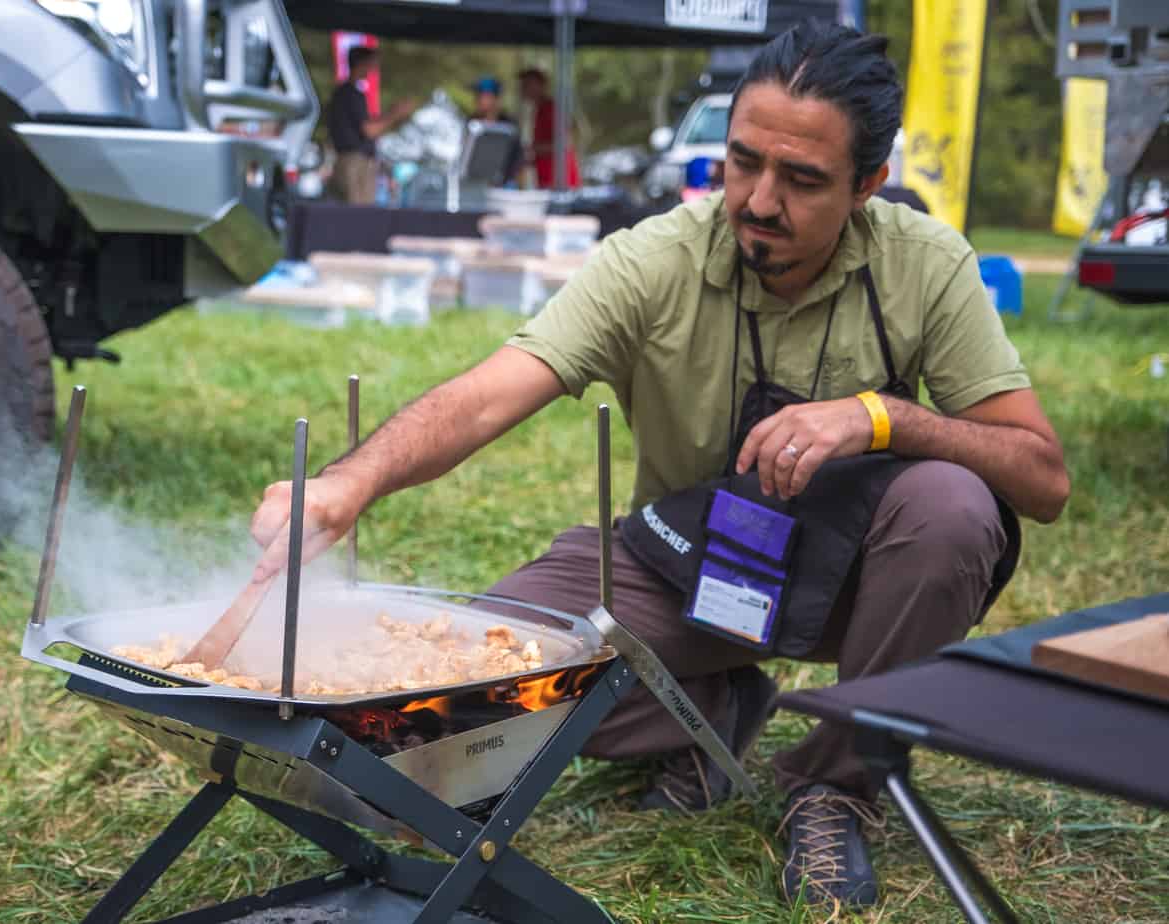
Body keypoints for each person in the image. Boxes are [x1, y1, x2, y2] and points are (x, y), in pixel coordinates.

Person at [249, 22, 1069, 909]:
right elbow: (488, 395)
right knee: (486, 683)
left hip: (855, 579)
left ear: (867, 183)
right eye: (743, 162)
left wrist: (886, 418)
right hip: (683, 565)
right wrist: (350, 481)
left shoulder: (926, 265)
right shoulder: (653, 260)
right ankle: (713, 710)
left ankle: (837, 784)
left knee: (953, 506)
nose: (759, 201)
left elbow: (1042, 478)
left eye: (802, 180)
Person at [325, 46, 417, 204]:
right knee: (359, 212)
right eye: (372, 63)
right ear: (362, 63)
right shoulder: (350, 93)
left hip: (353, 161)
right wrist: (395, 114)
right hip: (355, 163)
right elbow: (369, 130)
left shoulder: (346, 92)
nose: (374, 68)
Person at [518, 67, 580, 189]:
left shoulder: (551, 109)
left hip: (561, 184)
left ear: (541, 86)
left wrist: (530, 148)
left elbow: (565, 143)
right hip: (547, 182)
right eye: (523, 84)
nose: (523, 88)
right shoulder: (539, 111)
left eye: (528, 84)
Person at [470, 76, 521, 187]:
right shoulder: (471, 123)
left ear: (495, 98)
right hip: (474, 184)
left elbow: (517, 158)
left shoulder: (509, 125)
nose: (477, 100)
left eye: (482, 96)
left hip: (503, 186)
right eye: (477, 95)